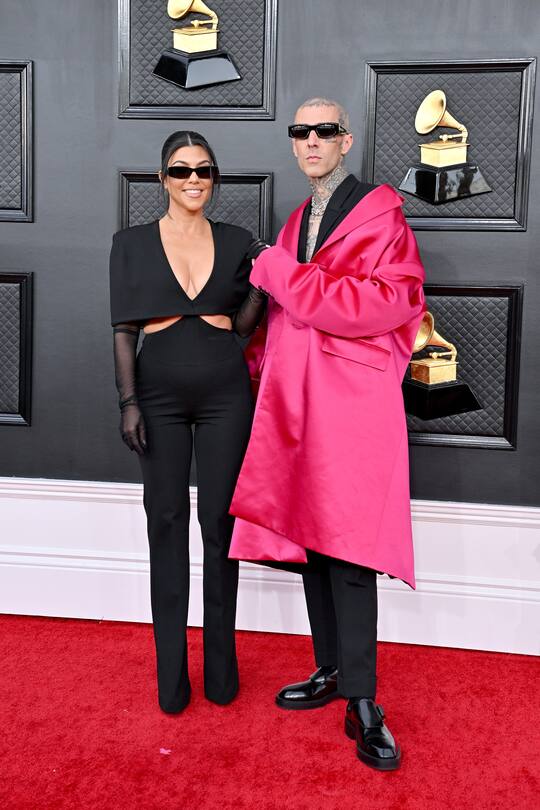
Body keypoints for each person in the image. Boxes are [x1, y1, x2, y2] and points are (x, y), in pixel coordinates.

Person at [229, 99, 426, 770]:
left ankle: (364, 703)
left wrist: (279, 273)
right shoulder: (292, 224)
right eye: (300, 132)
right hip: (296, 404)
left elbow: (385, 304)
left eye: (323, 131)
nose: (311, 141)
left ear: (345, 142)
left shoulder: (382, 216)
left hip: (351, 407)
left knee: (349, 549)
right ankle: (333, 670)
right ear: (293, 145)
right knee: (313, 540)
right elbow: (281, 319)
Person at [109, 131, 267, 714]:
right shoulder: (130, 244)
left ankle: (221, 674)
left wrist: (261, 281)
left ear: (214, 176)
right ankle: (171, 679)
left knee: (220, 529)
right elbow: (125, 331)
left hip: (228, 393)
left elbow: (246, 325)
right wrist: (128, 402)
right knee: (167, 525)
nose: (194, 179)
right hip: (159, 397)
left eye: (204, 170)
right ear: (162, 179)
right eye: (181, 171)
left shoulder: (237, 240)